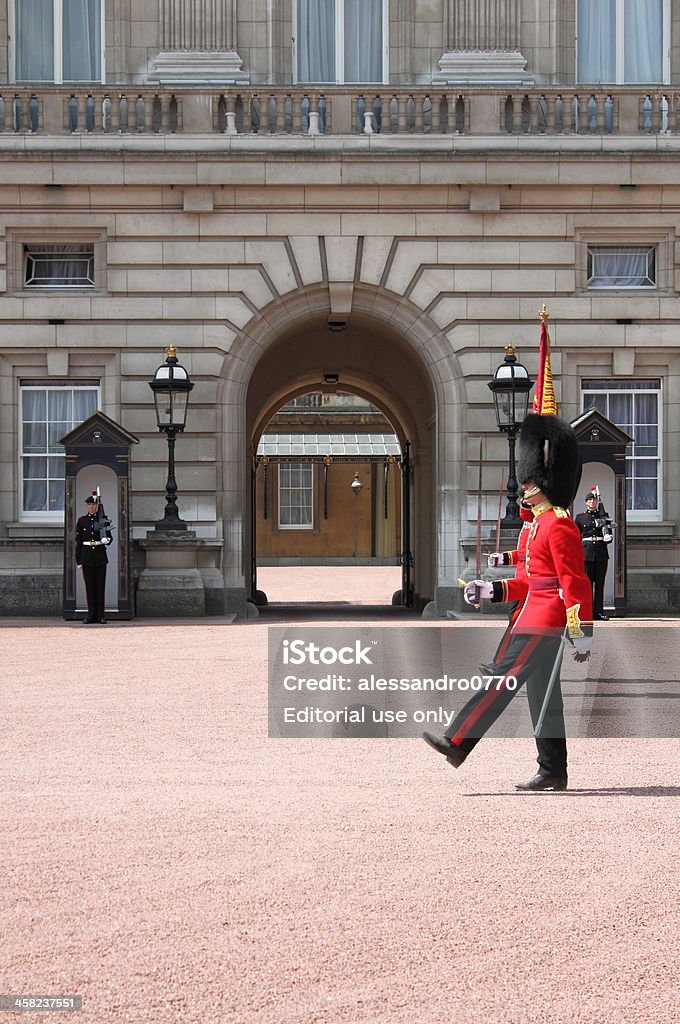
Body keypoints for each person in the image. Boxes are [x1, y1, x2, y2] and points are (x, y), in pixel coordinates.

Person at [423, 414, 593, 791]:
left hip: (545, 620)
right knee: (544, 700)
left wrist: (582, 632)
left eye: (530, 480)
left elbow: (574, 582)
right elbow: (527, 581)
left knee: (501, 681)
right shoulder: (536, 526)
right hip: (530, 614)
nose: (525, 486)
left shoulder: (560, 525)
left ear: (544, 482)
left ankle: (457, 740)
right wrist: (490, 591)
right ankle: (553, 770)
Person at [574, 489, 613, 621]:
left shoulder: (603, 515)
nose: (592, 502)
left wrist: (609, 537)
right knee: (587, 584)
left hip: (601, 552)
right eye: (590, 500)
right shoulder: (580, 518)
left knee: (599, 584)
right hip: (587, 553)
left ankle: (599, 612)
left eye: (594, 500)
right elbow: (576, 536)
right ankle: (587, 611)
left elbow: (608, 533)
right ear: (586, 503)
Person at [75, 493, 112, 624]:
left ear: (97, 506)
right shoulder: (82, 520)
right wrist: (78, 559)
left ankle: (101, 615)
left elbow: (109, 537)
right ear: (87, 506)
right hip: (86, 556)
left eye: (94, 504)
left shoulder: (103, 519)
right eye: (89, 504)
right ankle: (91, 614)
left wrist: (106, 540)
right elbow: (78, 541)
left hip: (100, 555)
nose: (92, 507)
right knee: (89, 587)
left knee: (100, 586)